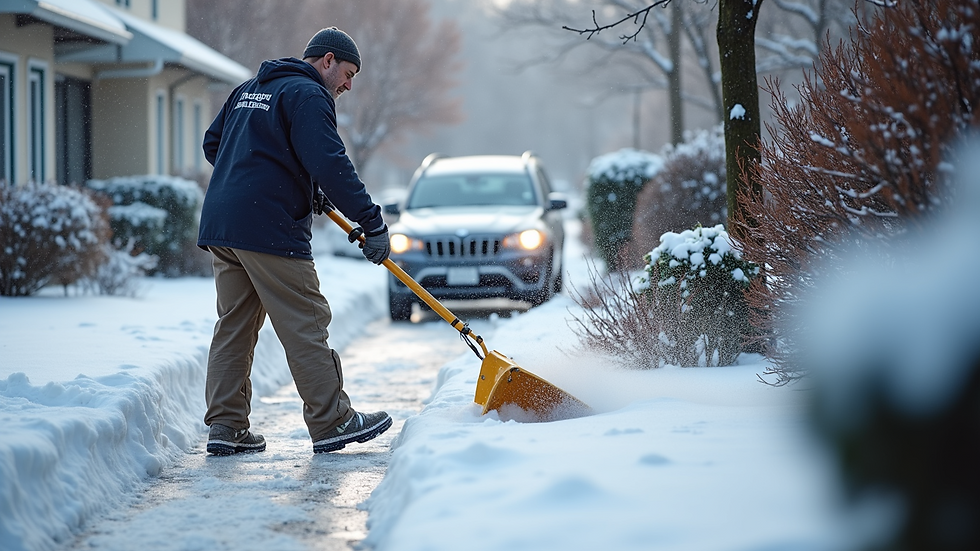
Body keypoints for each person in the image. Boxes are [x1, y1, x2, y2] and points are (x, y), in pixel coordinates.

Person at [197, 27, 392, 455]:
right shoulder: (308, 95)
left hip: (223, 225)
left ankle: (226, 426)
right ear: (326, 60)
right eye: (347, 72)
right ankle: (333, 420)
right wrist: (371, 223)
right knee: (305, 321)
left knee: (234, 326)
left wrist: (278, 175)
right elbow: (329, 162)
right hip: (270, 227)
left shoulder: (250, 88)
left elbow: (216, 145)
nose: (348, 85)